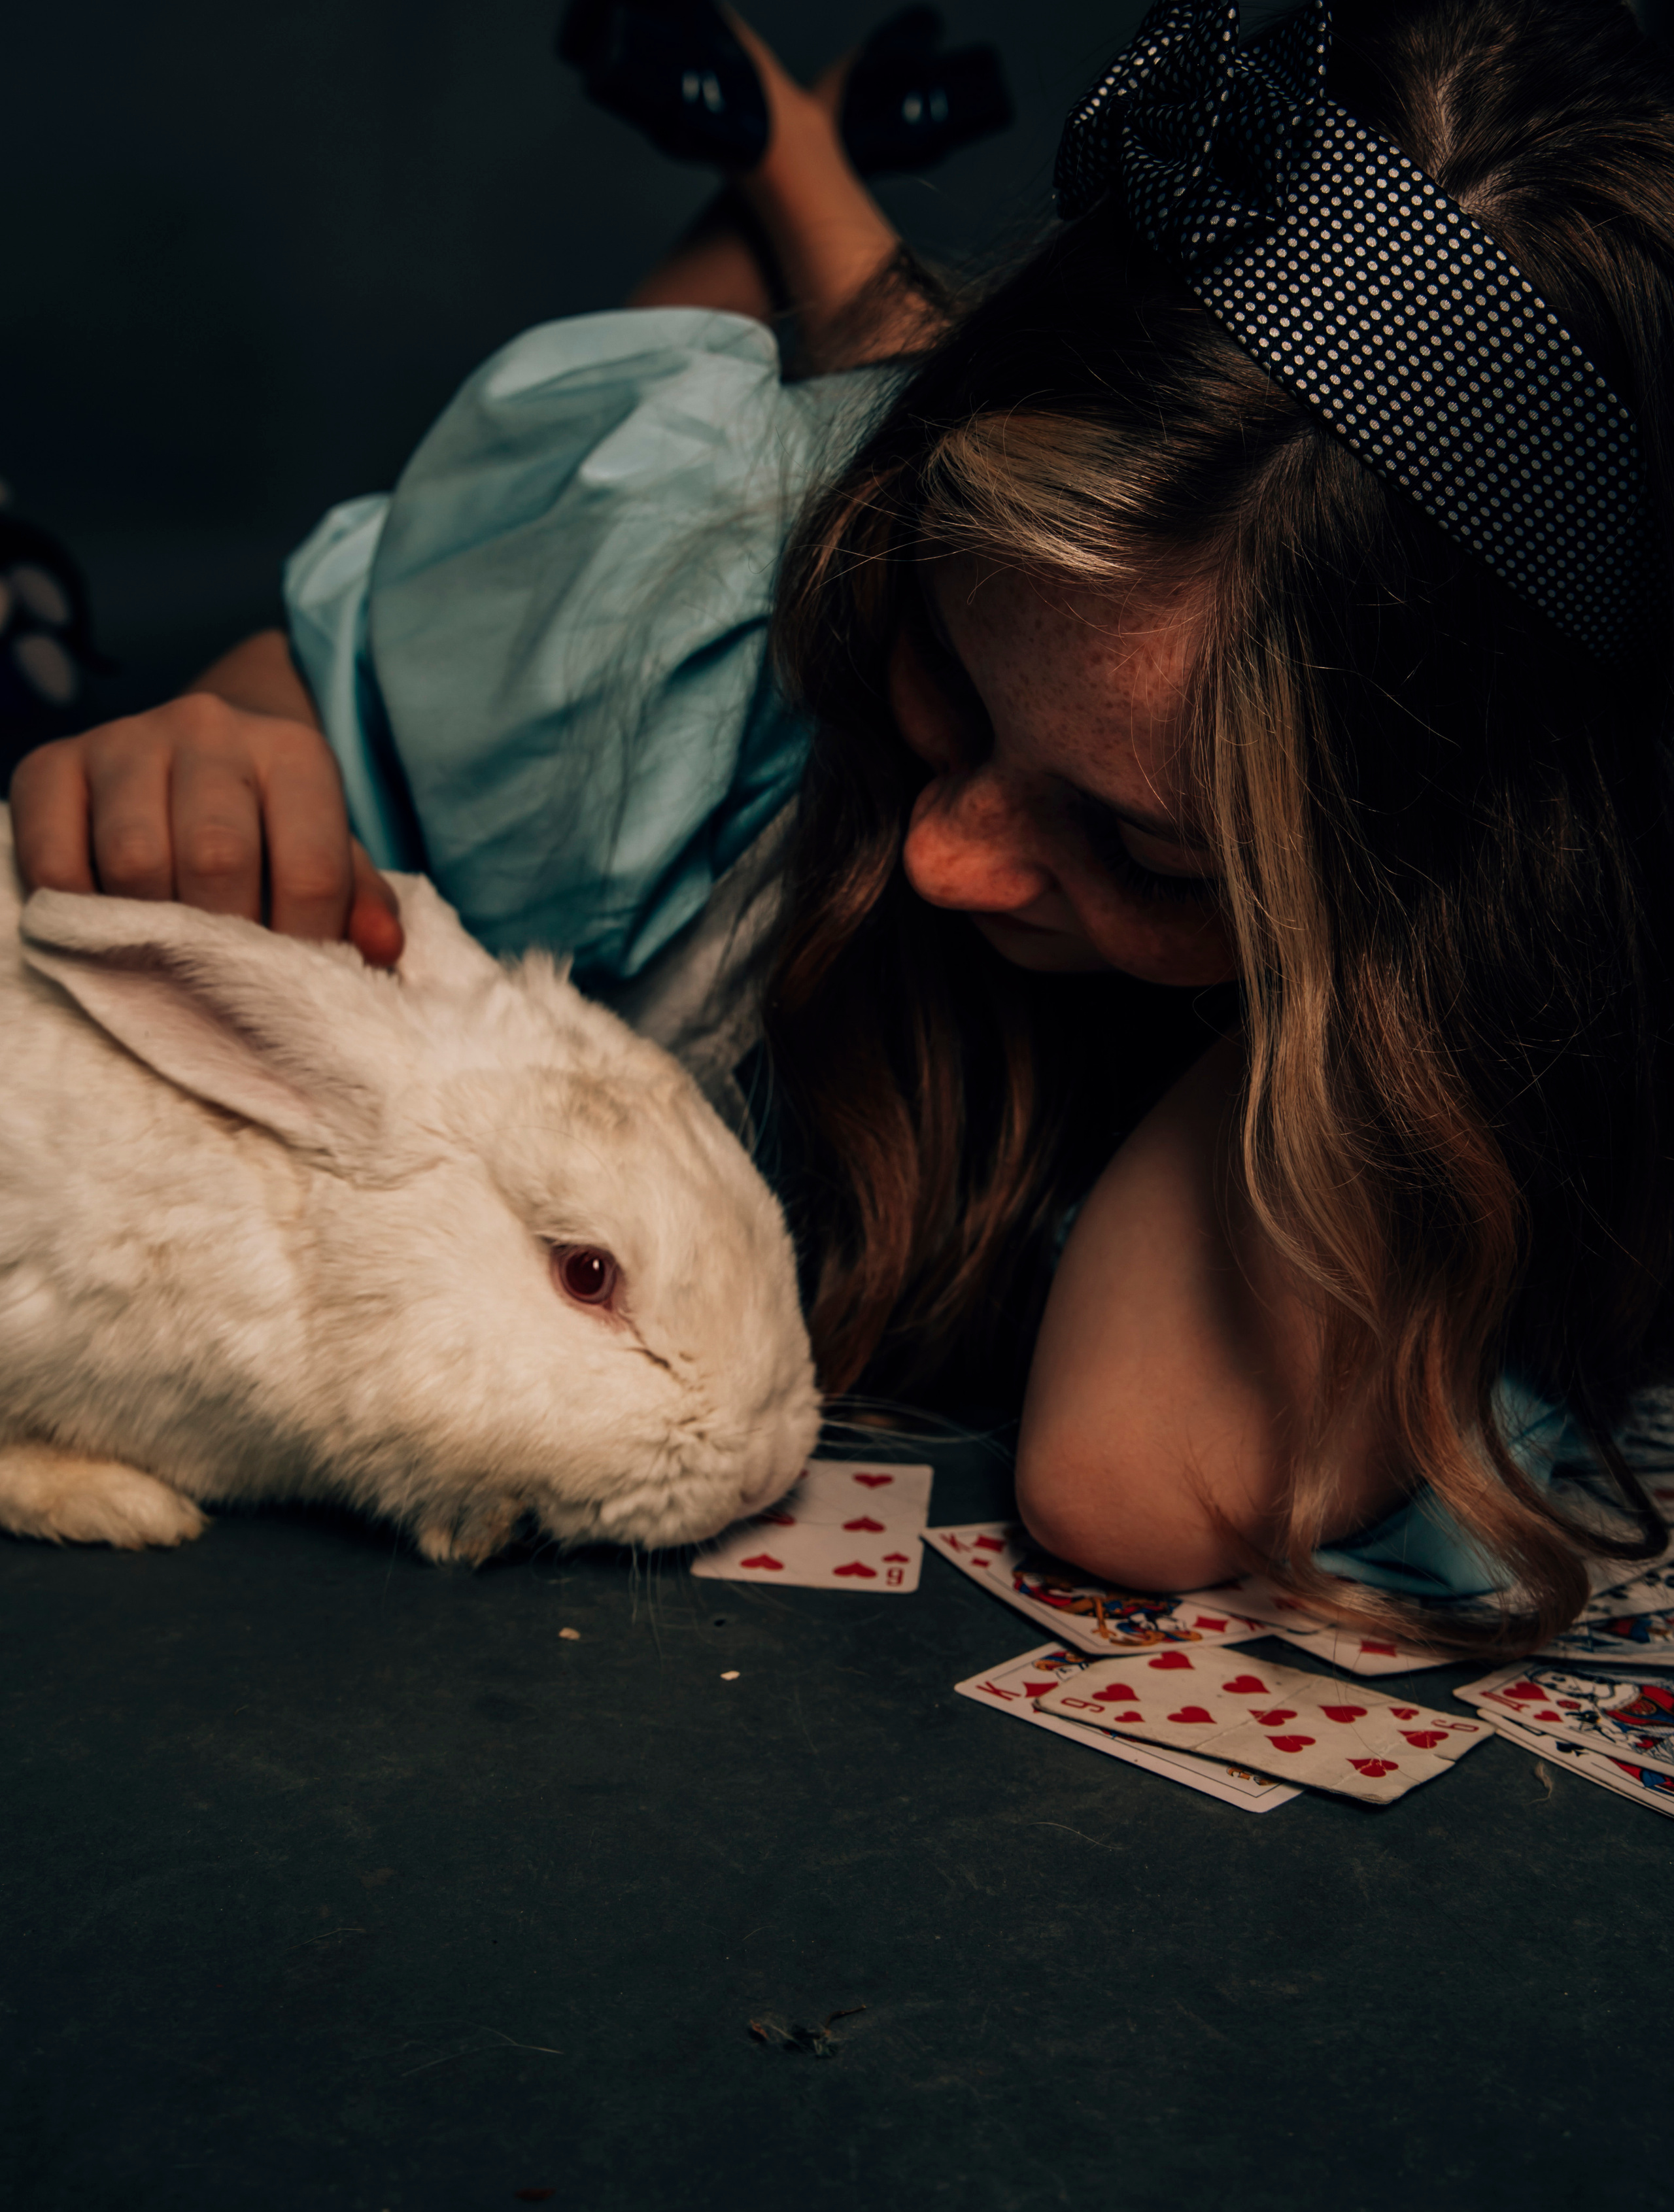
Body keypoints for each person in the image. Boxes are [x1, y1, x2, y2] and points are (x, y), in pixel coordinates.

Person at [12, 0, 1674, 1654]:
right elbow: (333, 662)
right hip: (754, 503)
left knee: (880, 397)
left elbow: (1123, 1476)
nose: (945, 855)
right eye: (943, 673)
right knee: (749, 441)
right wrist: (231, 733)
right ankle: (794, 187)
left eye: (1153, 858)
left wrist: (1337, 985)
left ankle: (796, 178)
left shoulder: (1480, 1044)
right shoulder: (711, 593)